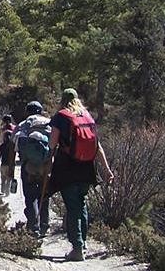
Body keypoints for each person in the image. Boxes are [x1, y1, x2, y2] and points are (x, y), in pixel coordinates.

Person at [46, 88, 114, 262]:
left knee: (72, 207)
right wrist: (106, 170)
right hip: (87, 169)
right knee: (81, 204)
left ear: (63, 100)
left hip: (67, 167)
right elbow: (98, 147)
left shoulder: (61, 116)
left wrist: (48, 164)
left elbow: (52, 144)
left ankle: (77, 248)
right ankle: (82, 244)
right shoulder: (86, 116)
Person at [12, 100, 51, 237]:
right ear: (40, 110)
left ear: (27, 111)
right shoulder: (49, 123)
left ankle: (33, 226)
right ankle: (45, 225)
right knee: (44, 196)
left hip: (28, 166)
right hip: (45, 167)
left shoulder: (24, 124)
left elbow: (14, 142)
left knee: (30, 196)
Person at [0, 129, 16, 196]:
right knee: (9, 179)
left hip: (3, 165)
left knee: (3, 178)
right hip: (10, 165)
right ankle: (7, 192)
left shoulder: (2, 145)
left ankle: (3, 190)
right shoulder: (13, 146)